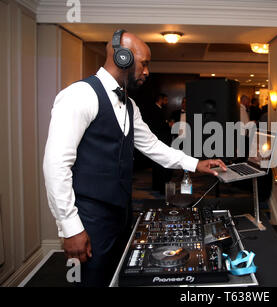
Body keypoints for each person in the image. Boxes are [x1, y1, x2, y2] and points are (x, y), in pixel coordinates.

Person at [43, 30, 226, 287]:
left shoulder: (130, 105)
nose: (147, 71)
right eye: (144, 63)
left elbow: (152, 146)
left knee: (118, 278)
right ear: (123, 57)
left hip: (122, 212)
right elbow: (55, 165)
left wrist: (195, 164)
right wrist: (70, 227)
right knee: (90, 281)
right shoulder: (79, 95)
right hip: (90, 216)